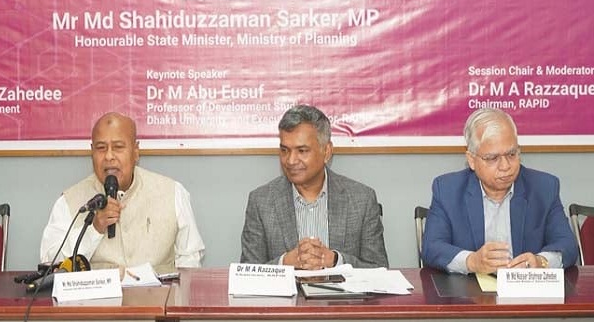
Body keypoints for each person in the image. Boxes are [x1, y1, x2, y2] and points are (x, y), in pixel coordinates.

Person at [421, 108, 578, 274]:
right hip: (469, 289)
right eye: (492, 158)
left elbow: (567, 245)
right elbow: (432, 247)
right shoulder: (447, 190)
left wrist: (541, 262)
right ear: (472, 160)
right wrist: (471, 261)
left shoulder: (544, 188)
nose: (505, 166)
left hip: (525, 288)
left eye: (511, 154)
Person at [40, 112, 205, 270]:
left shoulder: (172, 193)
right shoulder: (69, 202)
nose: (109, 156)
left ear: (135, 152)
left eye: (118, 147)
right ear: (92, 152)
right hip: (96, 291)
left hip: (158, 290)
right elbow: (50, 263)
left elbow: (190, 258)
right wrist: (94, 229)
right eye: (101, 148)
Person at [240, 104, 388, 269]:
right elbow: (247, 273)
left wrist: (336, 261)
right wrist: (284, 263)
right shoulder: (261, 202)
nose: (291, 160)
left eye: (302, 151)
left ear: (326, 152)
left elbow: (379, 270)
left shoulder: (362, 200)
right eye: (285, 150)